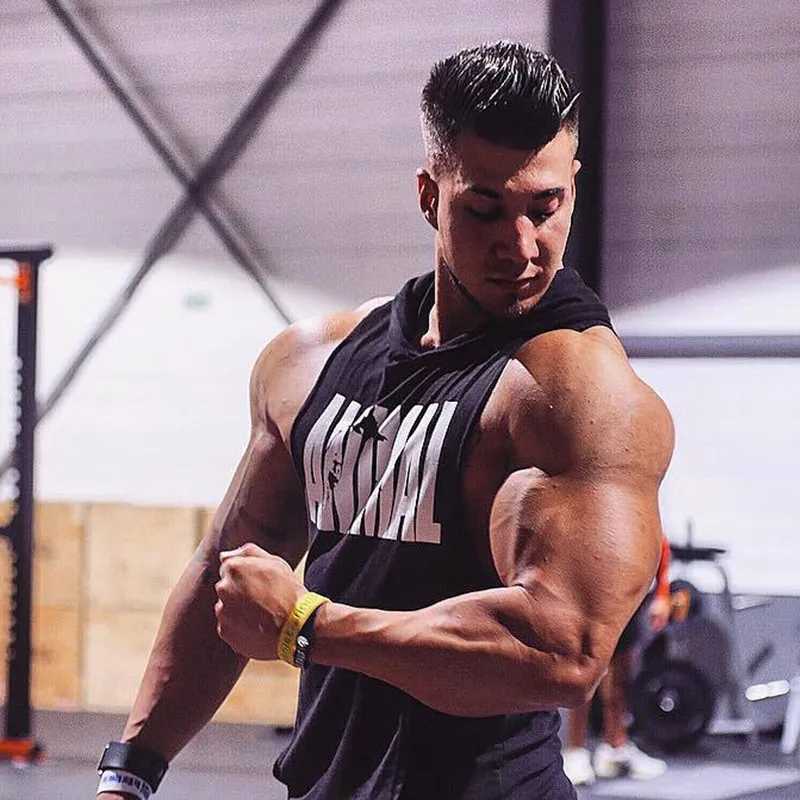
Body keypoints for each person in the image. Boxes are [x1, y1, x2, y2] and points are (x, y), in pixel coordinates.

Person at [94, 41, 674, 800]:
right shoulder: (311, 361)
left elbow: (560, 650)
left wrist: (308, 626)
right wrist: (130, 773)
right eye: (484, 209)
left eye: (546, 207)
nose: (522, 245)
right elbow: (224, 571)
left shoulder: (577, 396)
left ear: (572, 187)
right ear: (430, 196)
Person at [562, 536, 672, 784]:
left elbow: (657, 538)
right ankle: (575, 752)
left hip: (627, 595)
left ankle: (615, 748)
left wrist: (663, 593)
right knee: (583, 675)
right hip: (588, 590)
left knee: (621, 680)